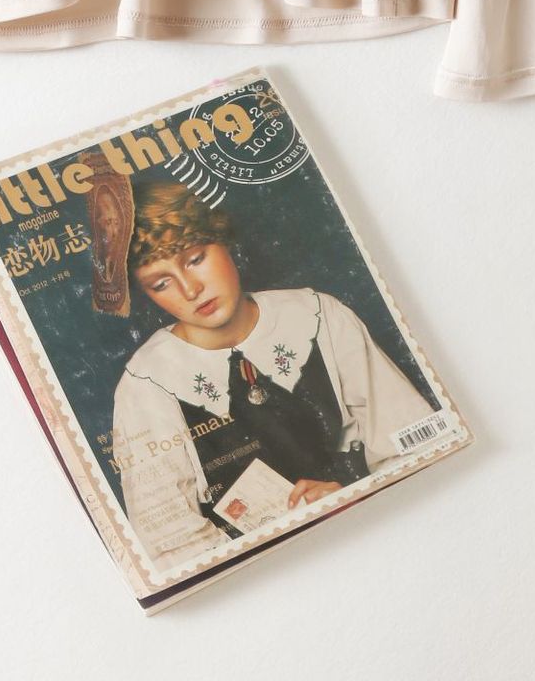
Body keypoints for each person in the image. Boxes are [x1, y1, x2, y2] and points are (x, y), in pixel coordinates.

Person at [109, 181, 437, 573]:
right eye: (161, 283)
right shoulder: (148, 382)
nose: (190, 289)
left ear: (221, 240)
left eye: (195, 259)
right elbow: (168, 542)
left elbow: (417, 440)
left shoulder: (318, 316)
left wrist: (351, 496)